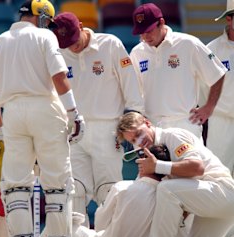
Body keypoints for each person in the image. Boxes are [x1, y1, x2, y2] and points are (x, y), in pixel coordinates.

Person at [0, 0, 84, 237]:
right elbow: (60, 78)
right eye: (47, 21)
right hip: (45, 109)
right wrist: (74, 114)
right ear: (39, 17)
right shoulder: (44, 36)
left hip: (12, 113)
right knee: (57, 183)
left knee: (15, 186)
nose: (48, 26)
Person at [52, 12, 144, 225]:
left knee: (109, 191)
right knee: (75, 192)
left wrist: (133, 122)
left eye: (74, 39)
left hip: (108, 129)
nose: (72, 46)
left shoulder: (110, 44)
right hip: (74, 131)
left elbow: (130, 84)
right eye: (66, 42)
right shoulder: (58, 52)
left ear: (82, 26)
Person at [116, 112, 234, 237]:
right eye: (133, 140)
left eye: (139, 133)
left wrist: (157, 166)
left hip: (224, 192)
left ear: (147, 123)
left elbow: (197, 168)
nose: (139, 141)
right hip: (210, 205)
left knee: (166, 189)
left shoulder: (172, 136)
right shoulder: (149, 155)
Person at [62, 145, 191, 237]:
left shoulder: (122, 187)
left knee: (61, 222)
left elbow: (100, 222)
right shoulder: (169, 201)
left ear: (143, 164)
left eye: (140, 160)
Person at [130, 3, 227, 139]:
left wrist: (209, 107)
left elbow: (218, 73)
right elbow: (133, 91)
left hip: (185, 124)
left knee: (190, 161)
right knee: (155, 162)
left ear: (161, 22)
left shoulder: (188, 43)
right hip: (153, 127)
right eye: (141, 32)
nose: (145, 37)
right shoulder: (137, 53)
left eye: (149, 30)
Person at [199, 0, 234, 177]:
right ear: (229, 19)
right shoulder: (211, 50)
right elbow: (202, 89)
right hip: (221, 121)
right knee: (219, 175)